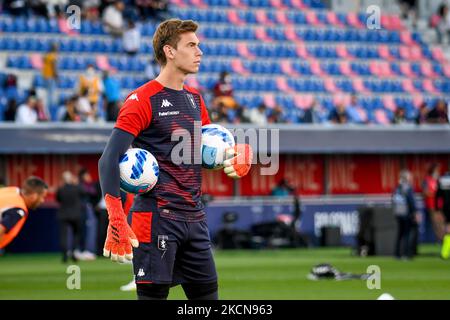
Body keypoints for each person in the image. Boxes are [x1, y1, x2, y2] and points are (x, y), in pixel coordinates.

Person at [98, 19, 253, 300]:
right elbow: (109, 159)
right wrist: (116, 215)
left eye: (199, 45)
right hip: (156, 218)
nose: (200, 52)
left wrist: (240, 154)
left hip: (195, 218)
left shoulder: (195, 99)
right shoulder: (142, 99)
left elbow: (208, 153)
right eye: (191, 45)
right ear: (169, 51)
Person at [0, 176, 48, 250]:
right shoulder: (18, 209)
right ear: (34, 196)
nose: (42, 200)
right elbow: (1, 228)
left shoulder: (12, 190)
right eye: (42, 197)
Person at [56, 171, 84, 263]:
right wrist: (76, 183)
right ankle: (73, 253)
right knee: (76, 235)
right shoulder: (76, 188)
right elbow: (84, 193)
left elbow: (58, 199)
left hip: (64, 214)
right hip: (76, 215)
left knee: (64, 235)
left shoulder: (61, 189)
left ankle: (64, 255)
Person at [391, 170, 420, 260]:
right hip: (406, 214)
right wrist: (415, 213)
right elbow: (411, 202)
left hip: (398, 213)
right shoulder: (408, 188)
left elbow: (393, 200)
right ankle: (406, 254)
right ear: (407, 178)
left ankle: (397, 254)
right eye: (409, 177)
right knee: (407, 234)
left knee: (400, 234)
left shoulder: (397, 188)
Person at [436, 170, 450, 259]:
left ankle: (444, 252)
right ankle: (444, 253)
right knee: (448, 230)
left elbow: (438, 196)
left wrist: (437, 208)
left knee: (448, 230)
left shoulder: (442, 180)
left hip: (446, 208)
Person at [42, 43, 58, 118]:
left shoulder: (47, 55)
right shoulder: (53, 56)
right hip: (51, 77)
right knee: (51, 96)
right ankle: (51, 112)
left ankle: (47, 111)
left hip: (46, 76)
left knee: (48, 94)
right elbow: (54, 66)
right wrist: (56, 76)